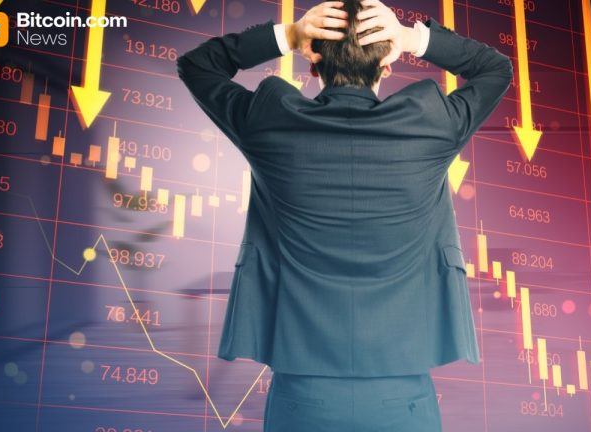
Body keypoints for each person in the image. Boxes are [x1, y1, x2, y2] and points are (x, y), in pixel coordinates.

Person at [177, 0, 513, 430]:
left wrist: (288, 36)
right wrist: (411, 38)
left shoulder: (268, 120)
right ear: (387, 64)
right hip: (403, 398)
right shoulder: (433, 123)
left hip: (302, 396)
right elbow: (495, 69)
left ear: (312, 64)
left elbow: (197, 66)